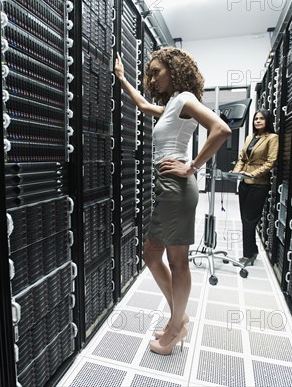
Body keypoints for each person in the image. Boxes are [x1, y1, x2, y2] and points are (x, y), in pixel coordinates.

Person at [114, 47, 231, 355]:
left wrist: (191, 165)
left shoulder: (184, 99)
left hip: (176, 186)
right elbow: (141, 104)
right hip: (168, 188)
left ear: (174, 69)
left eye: (156, 72)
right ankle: (178, 318)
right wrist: (122, 78)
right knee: (152, 255)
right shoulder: (171, 107)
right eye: (149, 73)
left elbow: (221, 129)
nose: (152, 79)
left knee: (175, 262)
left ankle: (176, 326)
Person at [232, 109, 278, 266]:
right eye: (256, 118)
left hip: (259, 184)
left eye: (261, 119)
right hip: (244, 183)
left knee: (249, 220)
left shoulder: (272, 138)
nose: (258, 121)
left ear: (267, 121)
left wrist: (254, 174)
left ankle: (247, 255)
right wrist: (236, 173)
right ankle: (254, 249)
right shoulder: (249, 137)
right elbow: (242, 158)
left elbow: (271, 162)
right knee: (245, 219)